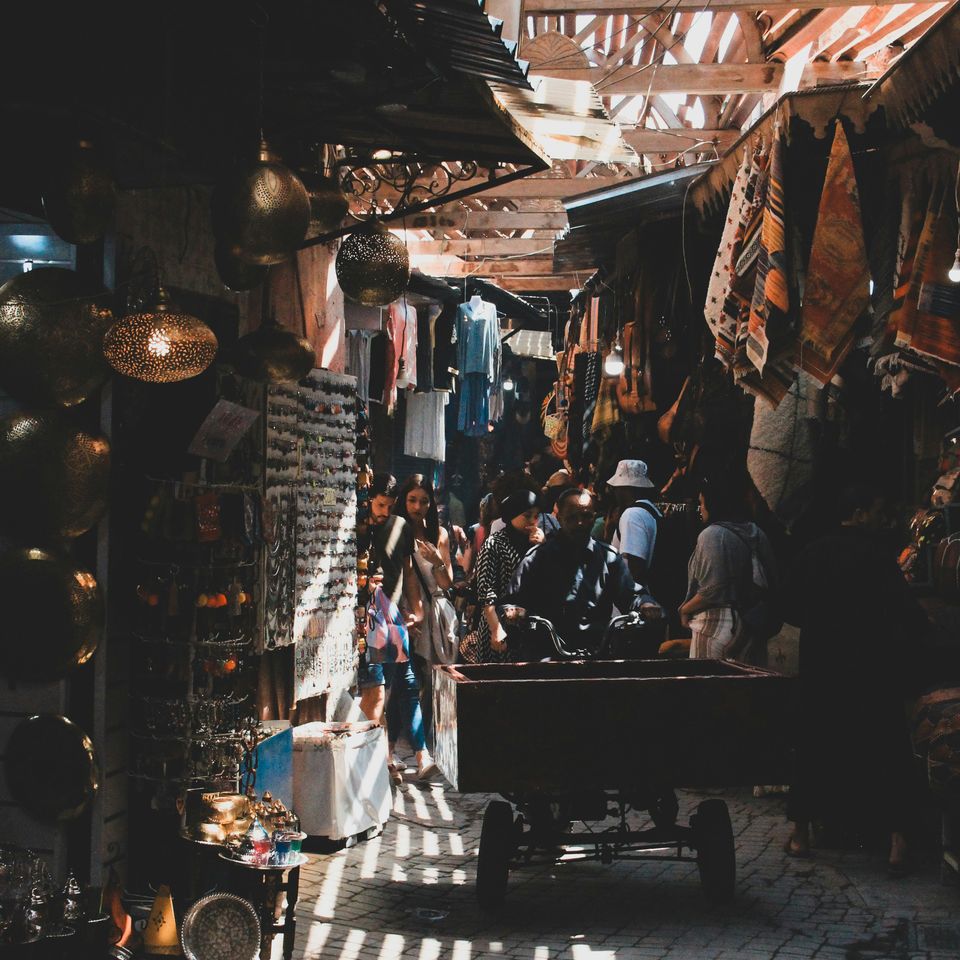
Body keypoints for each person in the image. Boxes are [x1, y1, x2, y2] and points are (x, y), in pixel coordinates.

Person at [782, 483, 930, 875]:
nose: (883, 519)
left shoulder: (813, 553)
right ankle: (898, 844)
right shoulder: (878, 557)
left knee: (813, 745)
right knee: (888, 747)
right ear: (860, 513)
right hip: (871, 668)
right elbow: (905, 612)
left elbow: (790, 608)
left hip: (823, 667)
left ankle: (800, 836)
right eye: (878, 511)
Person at [504, 488, 662, 657]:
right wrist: (514, 611)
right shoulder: (538, 558)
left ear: (594, 517)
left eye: (586, 517)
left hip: (597, 653)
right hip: (548, 655)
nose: (580, 523)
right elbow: (510, 602)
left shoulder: (608, 558)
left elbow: (630, 594)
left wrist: (645, 604)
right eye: (572, 517)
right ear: (559, 518)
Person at [358, 474, 435, 784]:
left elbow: (408, 572)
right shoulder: (359, 531)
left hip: (391, 616)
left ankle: (412, 756)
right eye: (379, 505)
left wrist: (415, 608)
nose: (384, 512)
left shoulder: (398, 527)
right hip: (367, 618)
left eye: (389, 506)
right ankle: (395, 759)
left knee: (402, 683)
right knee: (385, 689)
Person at [679, 475, 777, 659]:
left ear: (714, 503)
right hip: (751, 627)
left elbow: (714, 590)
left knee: (707, 685)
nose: (700, 509)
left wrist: (685, 609)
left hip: (717, 626)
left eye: (702, 503)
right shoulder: (756, 532)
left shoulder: (713, 535)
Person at [396, 474, 455, 764]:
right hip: (408, 609)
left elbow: (447, 583)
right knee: (409, 678)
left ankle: (431, 739)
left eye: (423, 501)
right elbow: (405, 577)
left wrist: (437, 562)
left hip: (436, 611)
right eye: (412, 500)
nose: (417, 507)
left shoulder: (439, 535)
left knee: (434, 679)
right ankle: (412, 742)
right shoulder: (397, 532)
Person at [472, 490, 543, 662]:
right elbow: (486, 591)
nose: (533, 521)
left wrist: (542, 548)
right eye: (527, 516)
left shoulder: (538, 544)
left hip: (531, 626)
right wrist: (496, 628)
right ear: (512, 515)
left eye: (536, 516)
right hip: (500, 623)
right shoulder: (494, 544)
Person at [606, 459, 661, 585]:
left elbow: (634, 567)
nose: (614, 492)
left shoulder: (632, 515)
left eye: (616, 488)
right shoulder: (651, 510)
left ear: (625, 488)